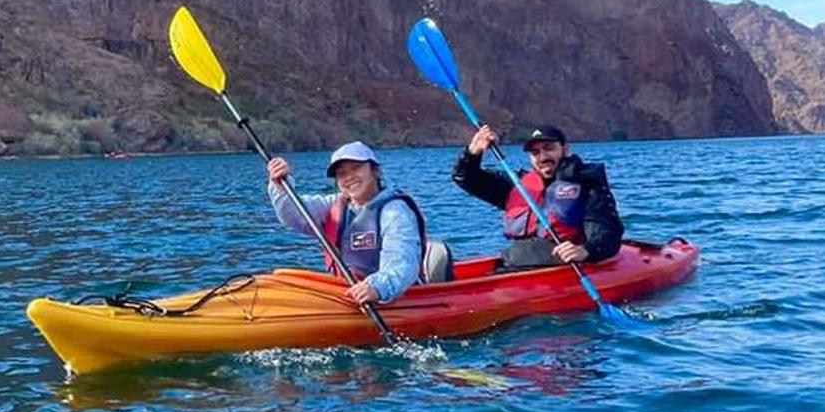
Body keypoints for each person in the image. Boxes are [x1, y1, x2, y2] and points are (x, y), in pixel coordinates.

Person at [266, 142, 432, 307]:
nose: (349, 177)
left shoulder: (395, 211)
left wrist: (377, 287)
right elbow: (294, 214)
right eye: (341, 173)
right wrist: (280, 185)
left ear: (376, 171)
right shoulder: (334, 205)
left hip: (392, 297)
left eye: (356, 167)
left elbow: (401, 260)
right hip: (347, 294)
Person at [452, 124, 623, 269]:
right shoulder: (518, 185)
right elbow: (466, 178)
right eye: (535, 152)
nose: (542, 157)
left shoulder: (587, 183)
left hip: (561, 268)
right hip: (514, 266)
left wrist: (586, 250)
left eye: (549, 149)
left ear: (565, 149)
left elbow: (607, 230)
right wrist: (472, 153)